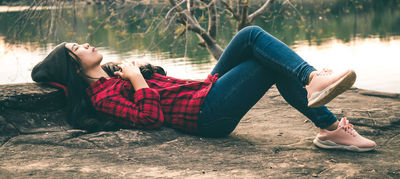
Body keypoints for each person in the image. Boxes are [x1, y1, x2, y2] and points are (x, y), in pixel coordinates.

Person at [31, 26, 376, 152]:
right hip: (206, 116)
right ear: (75, 67)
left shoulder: (110, 75)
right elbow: (150, 119)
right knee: (260, 52)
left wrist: (133, 75)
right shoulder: (102, 97)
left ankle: (315, 89)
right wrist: (137, 79)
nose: (87, 43)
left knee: (248, 36)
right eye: (79, 47)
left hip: (201, 94)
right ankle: (327, 120)